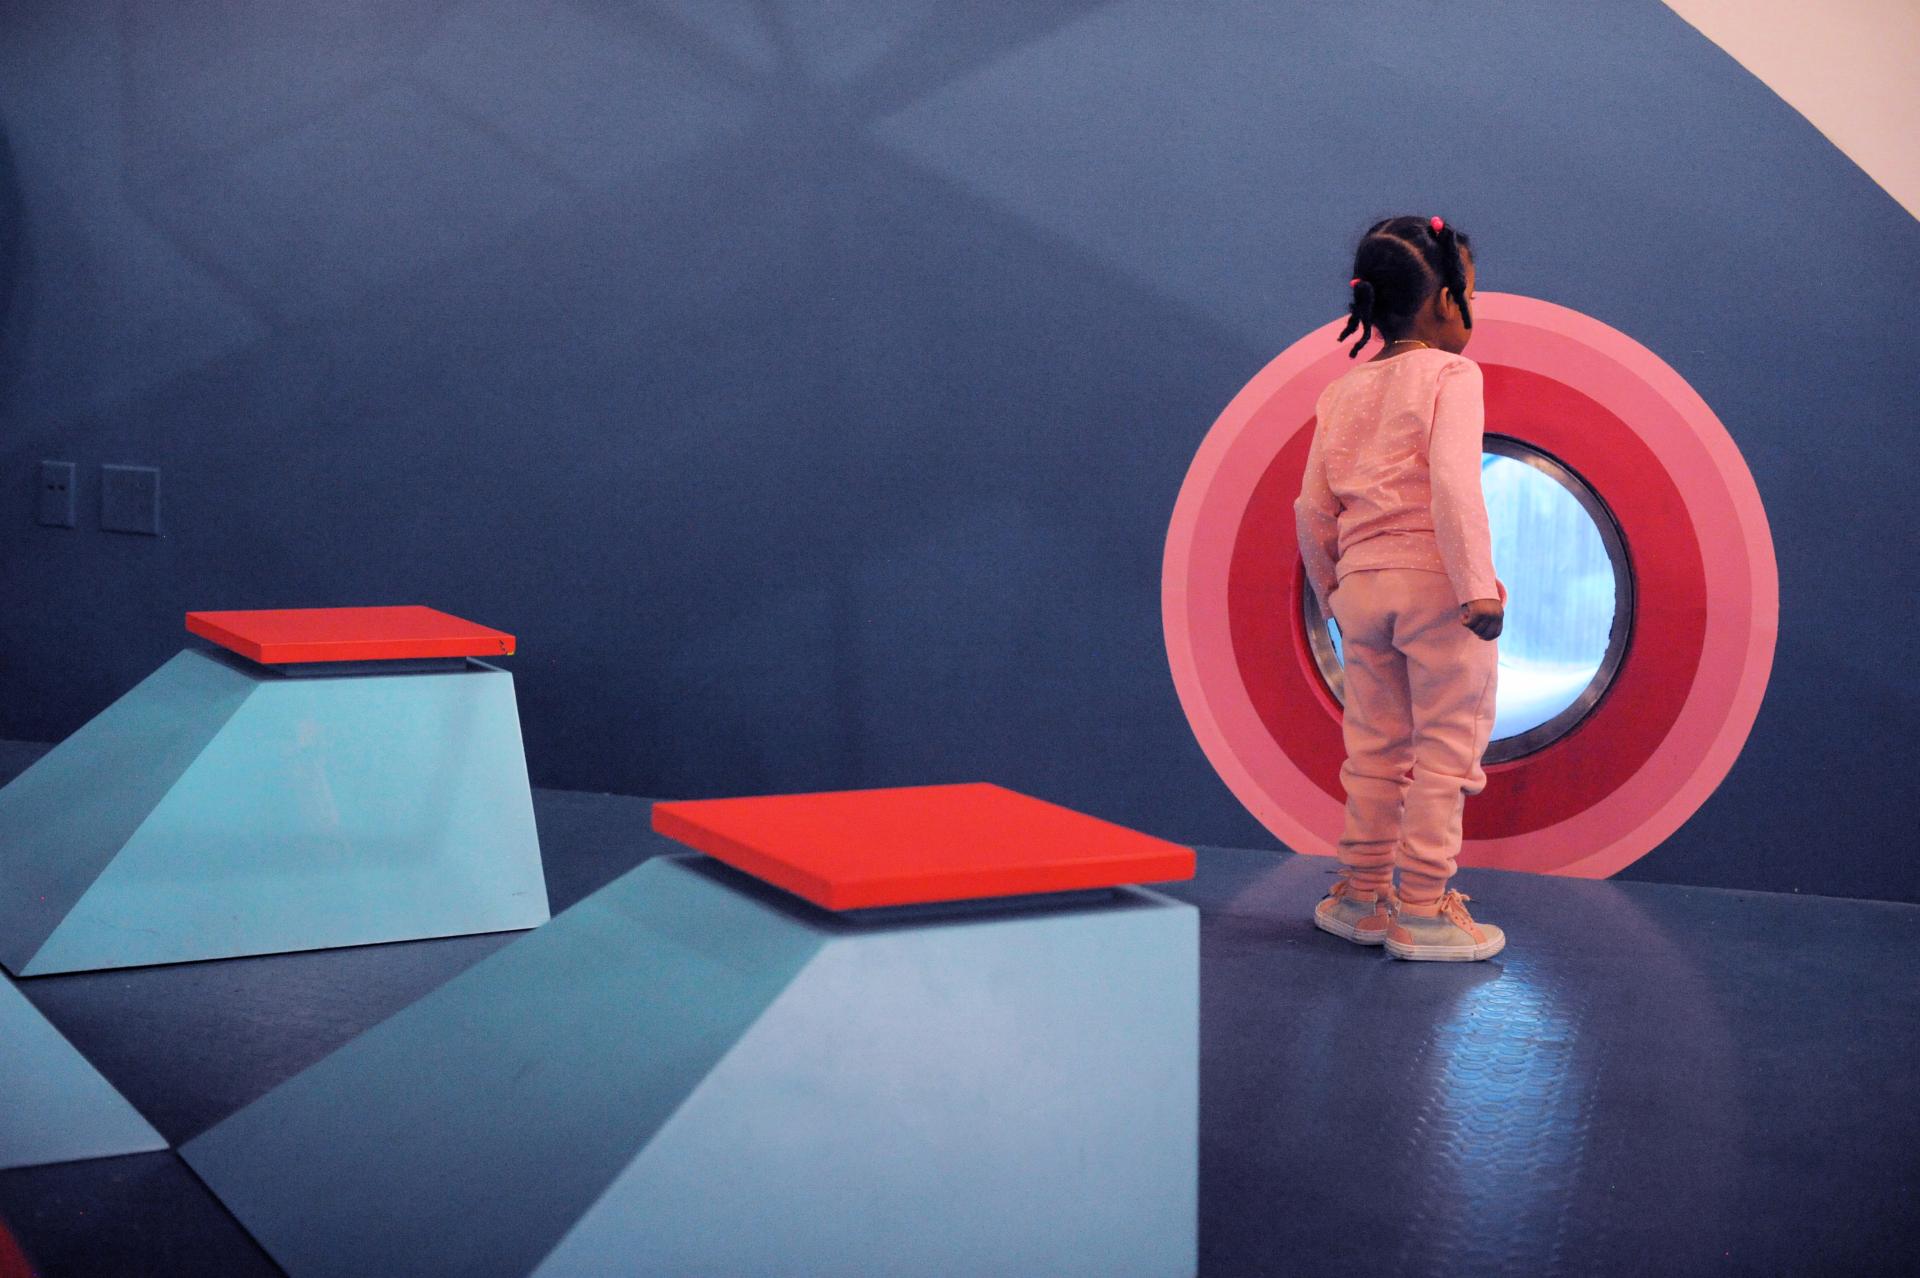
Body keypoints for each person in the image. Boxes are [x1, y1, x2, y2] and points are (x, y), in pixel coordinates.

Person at [1293, 214, 1507, 962]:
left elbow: (1310, 508)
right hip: (1434, 587)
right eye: (1472, 292)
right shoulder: (1452, 376)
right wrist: (1476, 587)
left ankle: (1359, 897)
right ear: (1446, 300)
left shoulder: (1341, 391)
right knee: (1446, 754)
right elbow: (1453, 483)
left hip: (1361, 591)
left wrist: (1333, 592)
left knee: (1374, 751)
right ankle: (1420, 909)